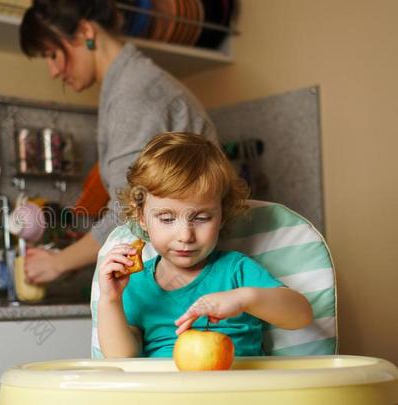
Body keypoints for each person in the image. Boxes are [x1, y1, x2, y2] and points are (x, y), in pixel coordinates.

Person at [19, 0, 219, 284]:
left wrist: (58, 263)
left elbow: (128, 212)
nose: (52, 70)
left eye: (53, 54)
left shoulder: (133, 95)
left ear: (86, 32)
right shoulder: (130, 84)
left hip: (196, 280)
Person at [97, 132, 313, 358]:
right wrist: (110, 300)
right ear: (141, 216)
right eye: (167, 218)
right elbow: (122, 359)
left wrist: (243, 299)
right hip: (164, 392)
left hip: (237, 391)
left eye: (201, 218)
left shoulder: (236, 270)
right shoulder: (135, 283)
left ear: (223, 216)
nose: (185, 236)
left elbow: (301, 315)